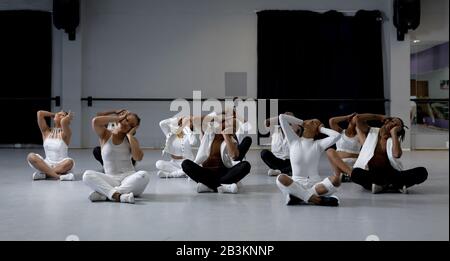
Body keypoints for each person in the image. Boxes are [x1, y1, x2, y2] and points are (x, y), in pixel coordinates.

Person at [82, 111, 150, 204]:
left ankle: (107, 194)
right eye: (126, 120)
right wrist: (117, 118)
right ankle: (119, 196)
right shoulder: (105, 134)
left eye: (131, 124)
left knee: (144, 175)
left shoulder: (132, 140)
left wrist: (130, 136)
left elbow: (138, 158)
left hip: (129, 179)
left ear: (133, 128)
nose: (126, 124)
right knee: (87, 175)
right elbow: (95, 121)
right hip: (111, 179)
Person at [275, 114, 342, 206]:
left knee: (336, 180)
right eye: (310, 120)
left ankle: (299, 197)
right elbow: (282, 117)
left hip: (316, 185)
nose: (310, 122)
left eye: (314, 122)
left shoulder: (319, 144)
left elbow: (337, 136)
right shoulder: (294, 140)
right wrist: (302, 122)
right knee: (280, 178)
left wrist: (322, 129)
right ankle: (314, 199)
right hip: (296, 184)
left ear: (317, 131)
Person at [351, 114, 428, 193]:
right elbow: (357, 118)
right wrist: (379, 117)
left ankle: (381, 186)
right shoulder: (371, 131)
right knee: (355, 173)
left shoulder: (392, 140)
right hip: (373, 174)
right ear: (387, 121)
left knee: (422, 172)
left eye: (396, 126)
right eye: (392, 121)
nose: (393, 125)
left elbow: (397, 154)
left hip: (391, 174)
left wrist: (393, 133)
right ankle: (395, 186)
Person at [181, 113, 251, 194]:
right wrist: (218, 117)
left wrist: (226, 135)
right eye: (223, 122)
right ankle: (223, 187)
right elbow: (195, 120)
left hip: (224, 173)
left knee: (246, 166)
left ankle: (209, 186)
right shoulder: (208, 132)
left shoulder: (231, 139)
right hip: (206, 172)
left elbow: (234, 156)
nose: (225, 124)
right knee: (185, 164)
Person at [27, 110, 75, 181]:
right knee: (30, 156)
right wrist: (55, 114)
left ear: (66, 119)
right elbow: (40, 113)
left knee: (70, 162)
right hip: (46, 164)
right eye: (57, 113)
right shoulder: (46, 131)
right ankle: (58, 176)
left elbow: (63, 122)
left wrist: (66, 118)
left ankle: (44, 174)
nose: (58, 115)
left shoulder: (66, 133)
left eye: (61, 115)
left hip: (61, 165)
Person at [260, 112, 301, 176]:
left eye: (290, 119)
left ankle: (279, 171)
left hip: (290, 161)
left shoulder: (295, 130)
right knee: (264, 153)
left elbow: (297, 129)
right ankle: (286, 171)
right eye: (286, 118)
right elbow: (266, 122)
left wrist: (291, 119)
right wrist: (281, 117)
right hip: (277, 160)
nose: (287, 120)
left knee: (300, 162)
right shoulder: (275, 129)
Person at [325, 113, 361, 182]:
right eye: (352, 122)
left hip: (354, 165)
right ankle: (350, 175)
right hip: (340, 165)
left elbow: (365, 151)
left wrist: (349, 155)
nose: (353, 125)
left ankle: (350, 175)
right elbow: (332, 121)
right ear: (349, 122)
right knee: (329, 151)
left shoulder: (359, 135)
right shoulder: (340, 132)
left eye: (356, 123)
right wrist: (347, 117)